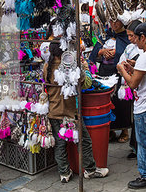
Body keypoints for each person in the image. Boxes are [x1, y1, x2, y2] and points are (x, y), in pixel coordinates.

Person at [44, 42, 109, 183]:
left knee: (60, 144)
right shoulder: (69, 66)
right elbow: (86, 82)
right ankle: (90, 170)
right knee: (83, 141)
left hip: (54, 111)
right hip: (70, 112)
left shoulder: (47, 66)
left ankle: (64, 173)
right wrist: (84, 65)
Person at [117, 23, 146, 189]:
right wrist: (132, 67)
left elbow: (132, 83)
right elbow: (144, 74)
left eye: (136, 38)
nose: (134, 41)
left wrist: (122, 70)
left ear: (143, 38)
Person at [89, 18, 130, 143]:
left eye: (116, 21)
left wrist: (116, 53)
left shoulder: (126, 37)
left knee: (121, 101)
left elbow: (128, 52)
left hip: (119, 72)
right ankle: (110, 130)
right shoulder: (105, 36)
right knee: (108, 100)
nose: (114, 24)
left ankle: (124, 129)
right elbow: (95, 53)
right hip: (105, 71)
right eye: (111, 22)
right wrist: (103, 51)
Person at [117, 19, 142, 158]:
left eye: (132, 35)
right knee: (135, 118)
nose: (130, 38)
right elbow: (121, 61)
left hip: (142, 90)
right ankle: (135, 147)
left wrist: (132, 66)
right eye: (128, 36)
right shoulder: (129, 48)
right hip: (132, 87)